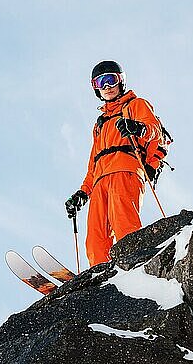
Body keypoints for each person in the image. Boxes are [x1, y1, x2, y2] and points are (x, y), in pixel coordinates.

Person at [65, 60, 162, 267]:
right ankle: (101, 276)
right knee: (95, 238)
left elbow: (156, 131)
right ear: (95, 89)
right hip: (100, 181)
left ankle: (135, 267)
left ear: (121, 81)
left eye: (111, 80)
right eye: (100, 83)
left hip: (125, 171)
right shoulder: (99, 124)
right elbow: (93, 163)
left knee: (124, 224)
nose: (107, 87)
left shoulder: (135, 105)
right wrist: (83, 192)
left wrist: (137, 128)